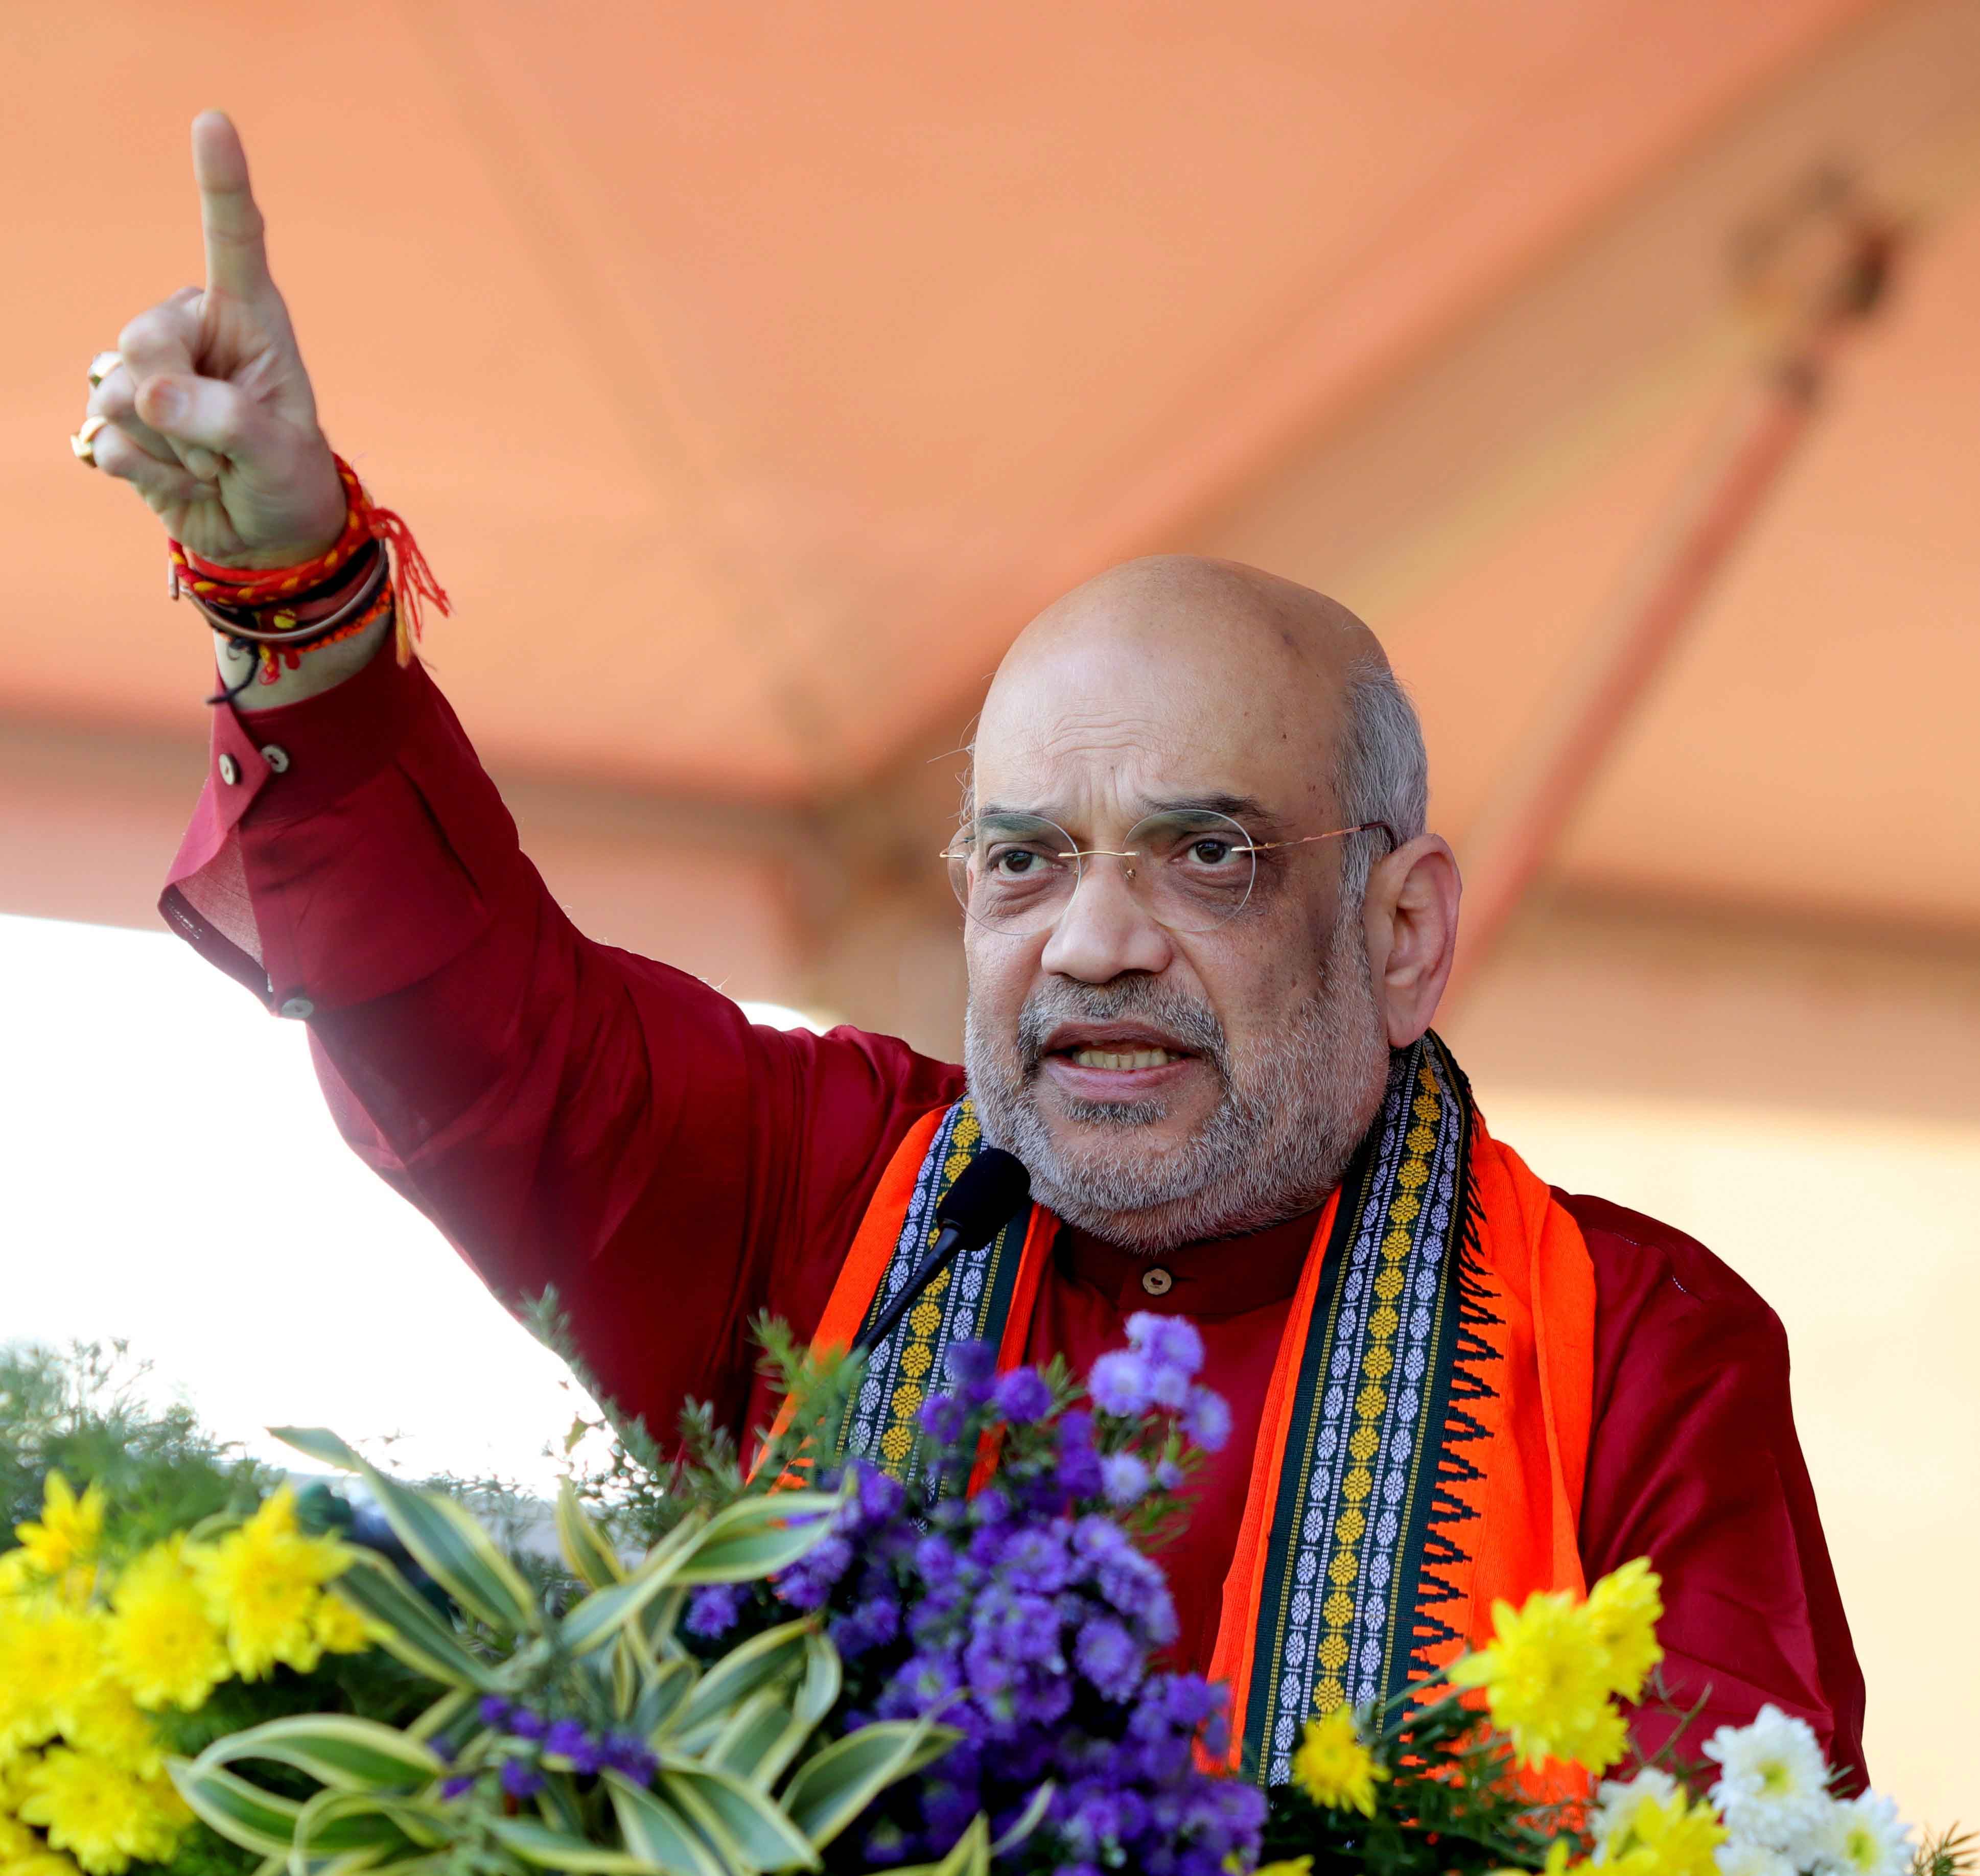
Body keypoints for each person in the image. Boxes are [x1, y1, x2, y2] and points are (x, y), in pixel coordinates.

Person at [75, 112, 1865, 1787]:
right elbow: (481, 1040)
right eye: (1023, 863)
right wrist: (298, 594)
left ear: (1402, 935)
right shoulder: (836, 1205)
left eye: (1208, 855)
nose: (1091, 943)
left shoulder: (1634, 1345)